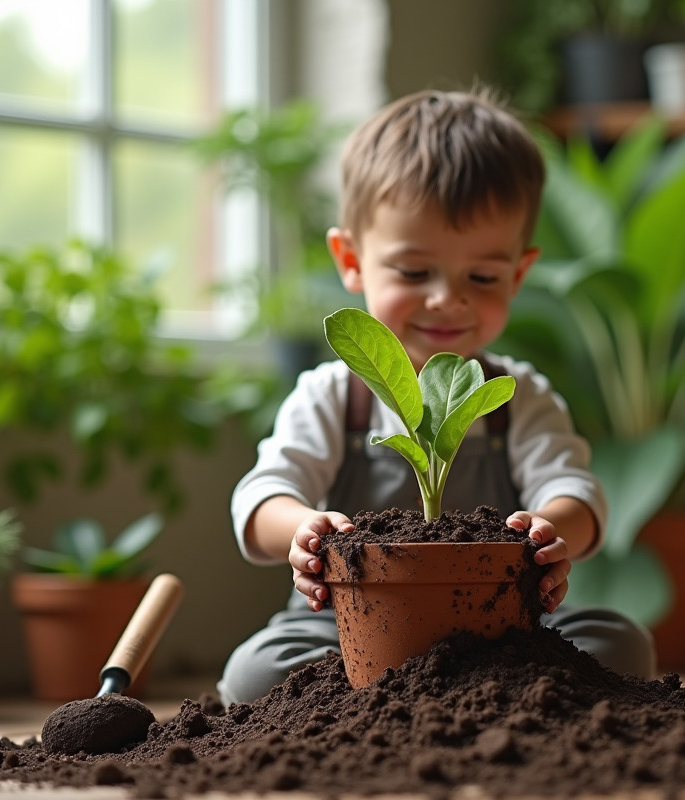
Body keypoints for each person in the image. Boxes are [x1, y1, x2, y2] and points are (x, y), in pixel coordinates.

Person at [218, 87, 656, 705]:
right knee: (258, 673)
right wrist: (302, 529)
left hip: (505, 628)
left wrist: (551, 529)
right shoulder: (332, 396)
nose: (448, 298)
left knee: (619, 643)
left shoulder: (519, 397)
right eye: (414, 272)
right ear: (351, 260)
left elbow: (577, 494)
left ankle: (444, 702)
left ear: (519, 274)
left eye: (482, 277)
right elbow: (262, 496)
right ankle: (461, 702)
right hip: (349, 627)